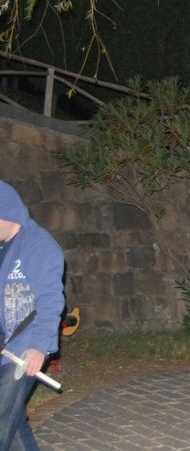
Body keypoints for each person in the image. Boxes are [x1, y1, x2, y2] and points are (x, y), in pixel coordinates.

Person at [0, 180, 65, 449]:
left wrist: (40, 346)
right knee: (14, 429)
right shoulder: (3, 249)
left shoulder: (40, 246)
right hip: (8, 351)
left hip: (26, 352)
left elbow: (51, 300)